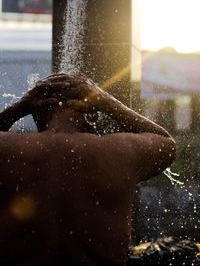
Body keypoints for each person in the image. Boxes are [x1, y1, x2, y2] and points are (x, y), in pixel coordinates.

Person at [0, 73, 176, 266]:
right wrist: (107, 102)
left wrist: (19, 107)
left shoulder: (9, 149)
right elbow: (166, 144)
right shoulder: (119, 152)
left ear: (36, 113)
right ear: (92, 114)